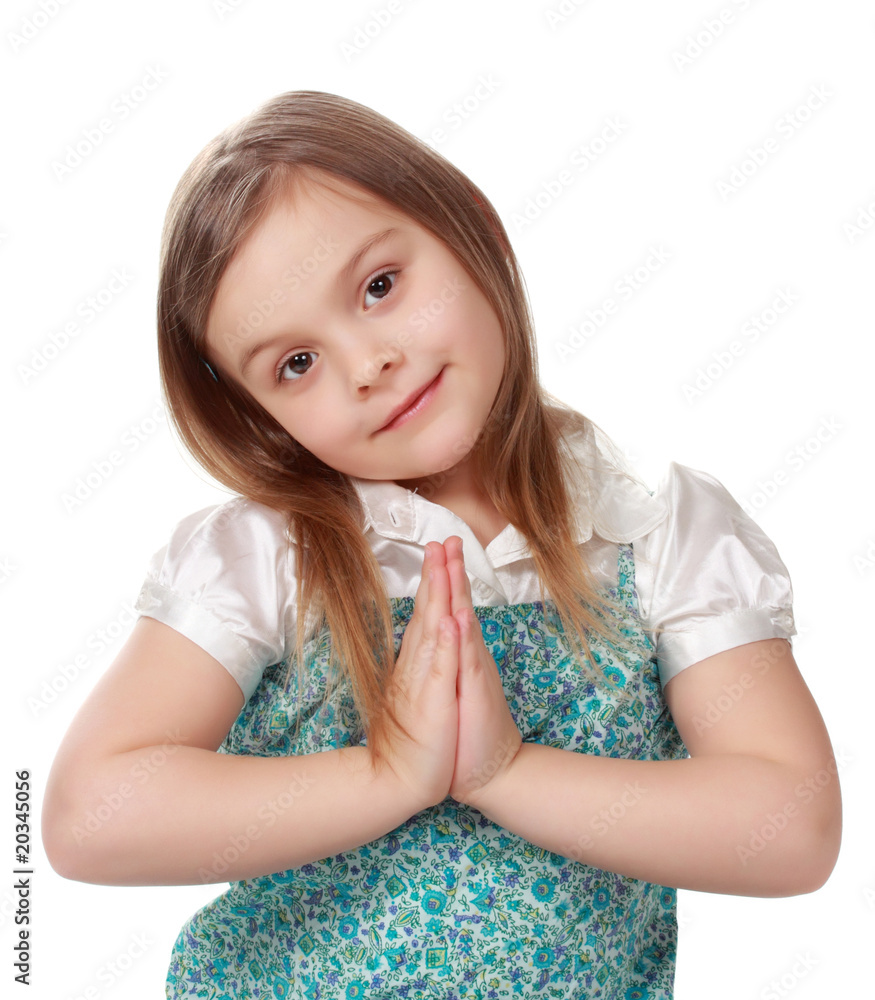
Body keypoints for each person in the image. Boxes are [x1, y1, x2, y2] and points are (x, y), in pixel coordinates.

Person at [42, 90, 841, 999]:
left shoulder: (660, 539)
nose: (367, 364)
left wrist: (505, 771)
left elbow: (792, 828)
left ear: (476, 231)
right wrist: (388, 774)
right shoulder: (268, 559)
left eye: (380, 287)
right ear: (259, 417)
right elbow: (88, 818)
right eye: (296, 364)